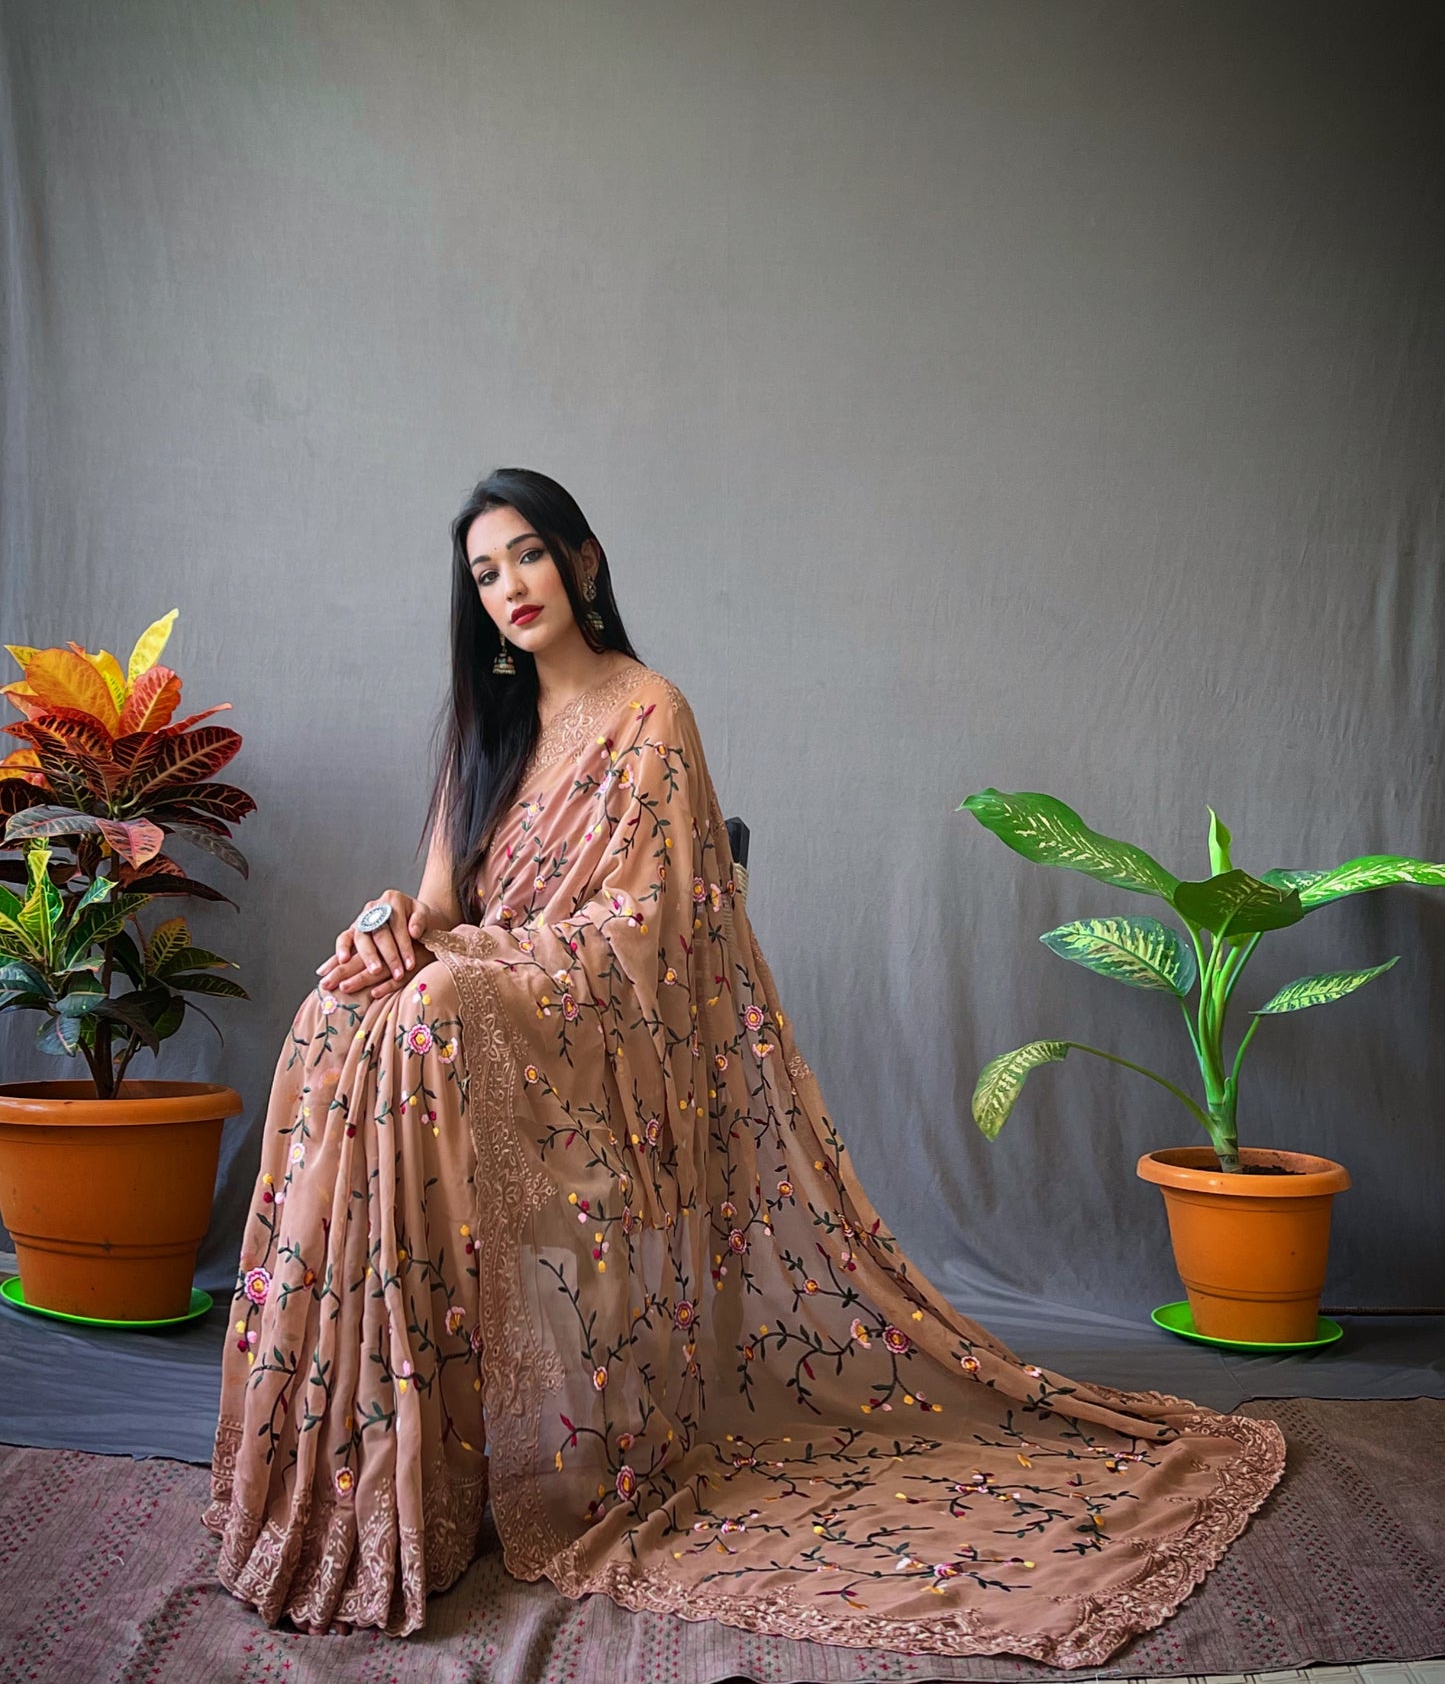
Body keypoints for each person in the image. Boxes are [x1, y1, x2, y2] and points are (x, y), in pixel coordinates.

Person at [205, 467, 1285, 1665]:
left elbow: (646, 934)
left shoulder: (650, 710)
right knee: (336, 1010)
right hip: (486, 1036)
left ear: (584, 559)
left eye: (524, 555)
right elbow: (442, 904)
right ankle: (392, 1467)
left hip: (594, 1057)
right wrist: (387, 924)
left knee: (433, 1007)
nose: (507, 585)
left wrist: (461, 967)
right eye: (483, 572)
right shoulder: (486, 728)